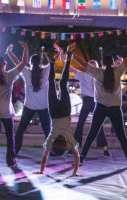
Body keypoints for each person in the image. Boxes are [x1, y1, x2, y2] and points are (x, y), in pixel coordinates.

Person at [72, 34, 127, 167]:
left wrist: (71, 54)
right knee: (121, 135)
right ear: (112, 63)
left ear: (103, 64)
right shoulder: (118, 71)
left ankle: (81, 159)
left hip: (100, 107)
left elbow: (81, 63)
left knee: (92, 133)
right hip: (115, 108)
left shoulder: (98, 72)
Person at [34, 43, 81, 176]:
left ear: (65, 146)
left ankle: (69, 58)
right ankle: (52, 63)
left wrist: (75, 173)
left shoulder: (70, 141)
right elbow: (44, 158)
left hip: (65, 112)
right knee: (52, 85)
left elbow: (77, 157)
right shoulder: (50, 140)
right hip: (54, 113)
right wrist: (41, 170)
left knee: (63, 83)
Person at [6, 45, 51, 155]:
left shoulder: (26, 72)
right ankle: (52, 151)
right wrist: (61, 52)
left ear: (30, 63)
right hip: (43, 106)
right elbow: (53, 62)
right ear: (41, 63)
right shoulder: (45, 71)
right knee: (48, 130)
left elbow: (18, 62)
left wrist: (9, 52)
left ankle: (15, 150)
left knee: (21, 129)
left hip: (29, 106)